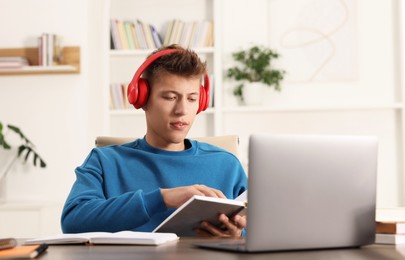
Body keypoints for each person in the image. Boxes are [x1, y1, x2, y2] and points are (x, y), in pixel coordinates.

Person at [61, 44, 247, 237]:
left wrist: (238, 238)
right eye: (170, 97)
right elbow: (72, 221)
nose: (182, 110)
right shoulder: (104, 160)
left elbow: (259, 233)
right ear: (142, 98)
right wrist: (162, 198)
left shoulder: (227, 164)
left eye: (192, 99)